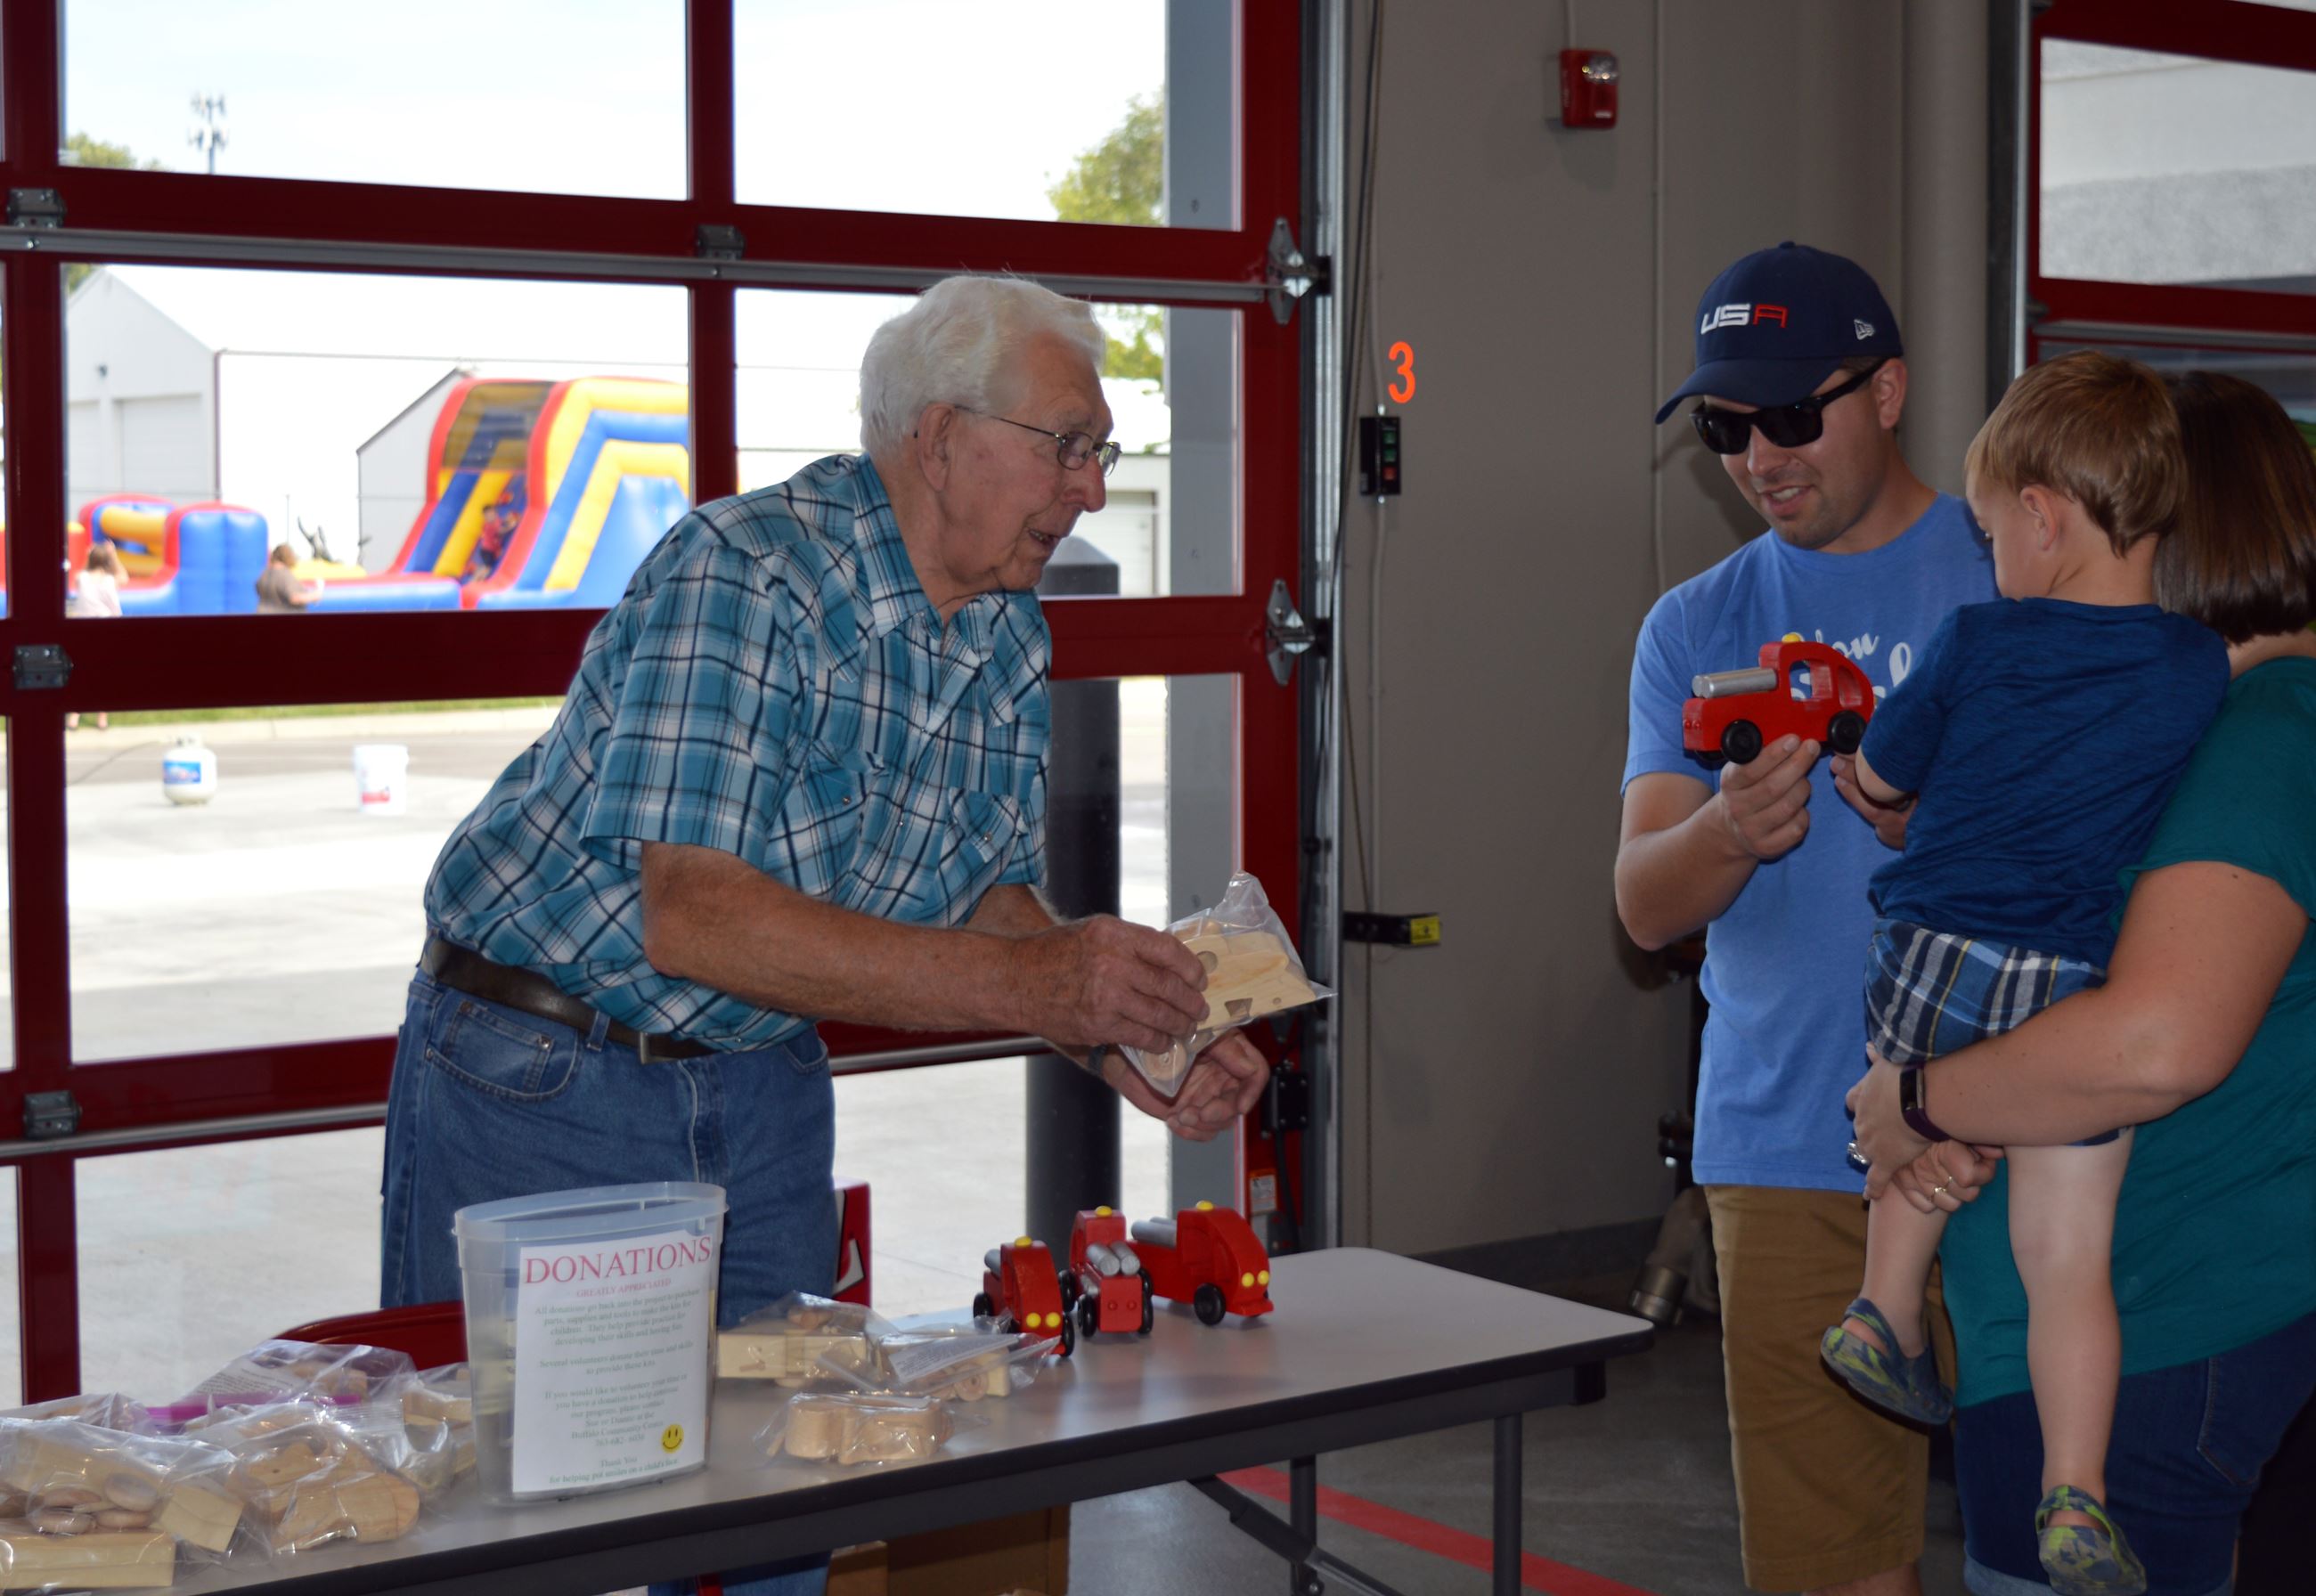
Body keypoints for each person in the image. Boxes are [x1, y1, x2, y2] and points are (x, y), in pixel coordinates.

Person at [380, 274, 1269, 1596]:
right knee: (512, 1524)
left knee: (782, 1504)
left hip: (759, 1091)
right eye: (1066, 446)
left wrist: (1130, 1037)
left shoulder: (1006, 628)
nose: (1089, 490)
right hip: (545, 1079)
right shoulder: (746, 575)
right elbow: (697, 913)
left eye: (1102, 453)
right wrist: (1048, 982)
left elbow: (983, 898)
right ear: (939, 437)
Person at [1847, 370, 2316, 1596]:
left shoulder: (2258, 727)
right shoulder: (2197, 713)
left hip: (2162, 1340)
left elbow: (2154, 1041)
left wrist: (1926, 1101)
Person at [1617, 240, 1997, 1596]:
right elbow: (1643, 902)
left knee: (2045, 1550)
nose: (1760, 456)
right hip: (1785, 1150)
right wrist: (1726, 831)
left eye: (1793, 415)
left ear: (1887, 391)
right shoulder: (1695, 624)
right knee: (1835, 1569)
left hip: (2004, 1134)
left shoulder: (2012, 571)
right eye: (1728, 426)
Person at [65, 543, 125, 730]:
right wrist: (113, 555)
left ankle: (74, 716)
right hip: (104, 630)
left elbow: (82, 575)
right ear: (106, 562)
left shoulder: (81, 577)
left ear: (90, 560)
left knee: (81, 672)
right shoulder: (109, 580)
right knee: (103, 674)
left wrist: (89, 557)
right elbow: (124, 576)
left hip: (83, 630)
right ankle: (102, 718)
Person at [463, 487, 519, 580]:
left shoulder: (496, 519)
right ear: (485, 517)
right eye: (488, 515)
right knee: (487, 568)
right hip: (487, 551)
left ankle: (478, 578)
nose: (491, 516)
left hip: (491, 550)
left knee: (487, 567)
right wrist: (511, 526)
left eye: (492, 513)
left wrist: (510, 518)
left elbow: (502, 521)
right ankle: (476, 580)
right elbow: (500, 531)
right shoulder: (489, 525)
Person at [256, 543, 315, 612]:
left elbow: (258, 589)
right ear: (288, 556)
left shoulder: (265, 573)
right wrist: (313, 596)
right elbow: (294, 598)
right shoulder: (284, 574)